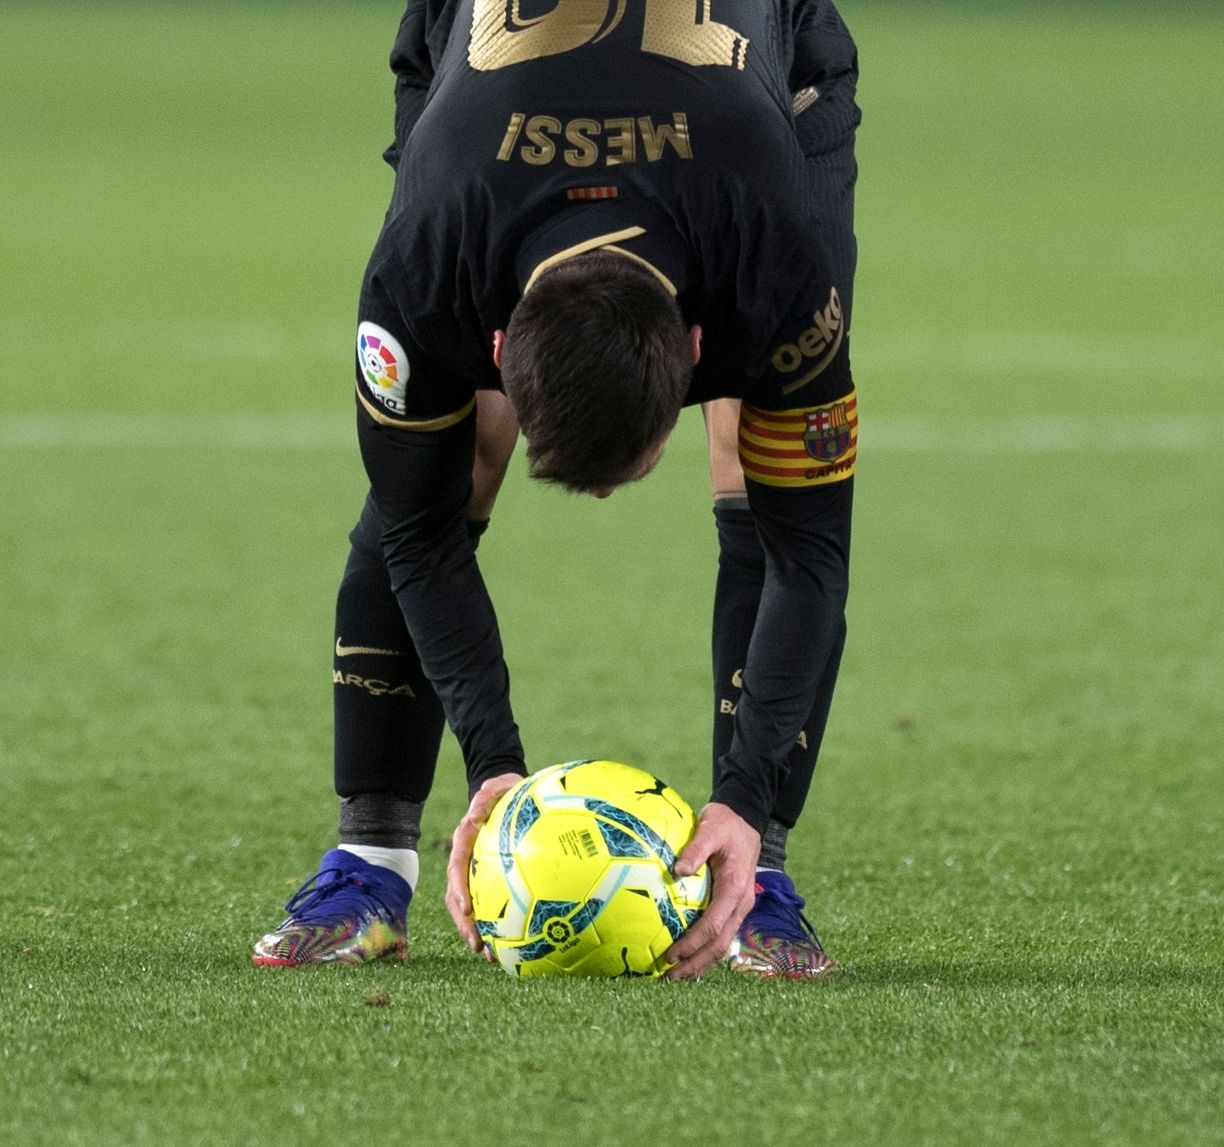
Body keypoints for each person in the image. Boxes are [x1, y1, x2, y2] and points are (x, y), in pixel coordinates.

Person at [254, 0, 860, 980]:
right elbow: (415, 527)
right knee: (451, 465)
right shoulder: (424, 267)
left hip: (769, 87)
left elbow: (810, 550)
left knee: (750, 451)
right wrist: (494, 761)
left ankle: (758, 872)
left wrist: (744, 794)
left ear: (702, 344)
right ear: (494, 343)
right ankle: (368, 860)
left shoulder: (778, 274)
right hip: (474, 79)